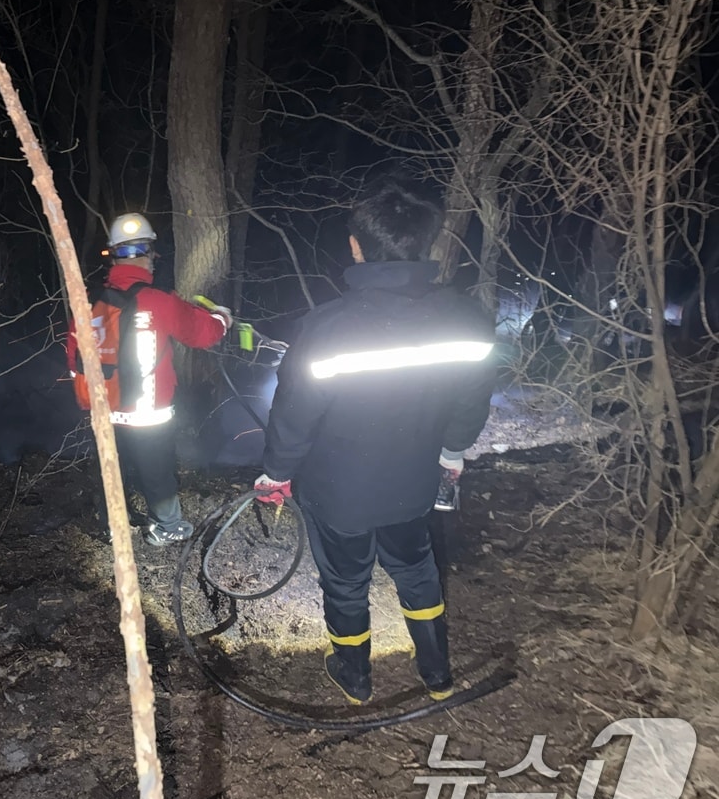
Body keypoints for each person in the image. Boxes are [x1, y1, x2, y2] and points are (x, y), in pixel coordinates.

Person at [251, 178, 495, 704]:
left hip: (339, 492)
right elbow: (471, 401)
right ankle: (436, 673)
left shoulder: (326, 328)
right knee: (415, 567)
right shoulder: (467, 320)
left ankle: (354, 676)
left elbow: (293, 415)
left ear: (357, 246)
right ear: (426, 243)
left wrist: (275, 473)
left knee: (345, 579)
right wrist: (451, 454)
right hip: (413, 480)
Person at [67, 212, 232, 546]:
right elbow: (203, 333)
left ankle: (113, 528)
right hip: (148, 415)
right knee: (157, 472)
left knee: (112, 471)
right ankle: (165, 526)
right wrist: (222, 318)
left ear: (113, 254)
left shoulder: (89, 303)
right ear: (148, 255)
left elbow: (74, 357)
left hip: (103, 412)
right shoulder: (158, 301)